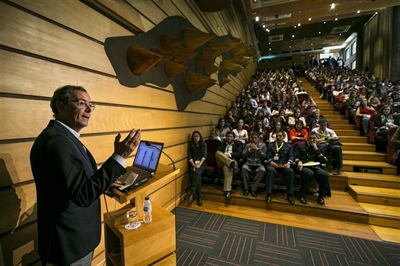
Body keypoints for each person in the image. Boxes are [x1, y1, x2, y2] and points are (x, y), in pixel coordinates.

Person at [30, 85, 142, 265]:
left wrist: (105, 182)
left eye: (91, 105)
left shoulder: (65, 138)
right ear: (60, 106)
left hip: (74, 240)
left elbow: (76, 182)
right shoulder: (57, 142)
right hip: (69, 244)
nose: (89, 109)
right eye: (82, 103)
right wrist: (119, 157)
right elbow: (83, 194)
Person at [294, 132, 329, 205]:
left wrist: (316, 149)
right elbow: (295, 156)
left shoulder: (319, 147)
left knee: (324, 174)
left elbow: (323, 160)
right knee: (309, 173)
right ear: (307, 138)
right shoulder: (300, 145)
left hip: (315, 166)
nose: (312, 140)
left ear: (316, 139)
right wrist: (299, 161)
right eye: (310, 138)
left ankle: (321, 196)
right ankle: (302, 195)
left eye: (314, 138)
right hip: (303, 166)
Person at [265, 132, 296, 204]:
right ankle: (268, 194)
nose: (278, 137)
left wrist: (288, 163)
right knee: (269, 170)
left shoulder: (289, 146)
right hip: (274, 165)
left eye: (280, 136)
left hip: (284, 165)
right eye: (277, 136)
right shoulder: (271, 145)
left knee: (290, 172)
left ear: (284, 137)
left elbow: (291, 156)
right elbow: (268, 155)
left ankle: (290, 194)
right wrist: (271, 162)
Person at [215, 131, 243, 200]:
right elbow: (217, 153)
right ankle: (231, 164)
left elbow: (239, 153)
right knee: (218, 153)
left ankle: (228, 191)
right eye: (228, 136)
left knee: (227, 167)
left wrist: (230, 155)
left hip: (233, 160)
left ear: (233, 138)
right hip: (221, 161)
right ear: (226, 137)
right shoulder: (222, 143)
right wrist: (225, 156)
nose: (229, 138)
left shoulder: (238, 144)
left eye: (231, 136)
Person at [241, 132, 267, 197]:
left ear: (258, 139)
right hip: (248, 163)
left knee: (262, 170)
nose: (254, 139)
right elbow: (243, 156)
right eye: (252, 138)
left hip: (259, 164)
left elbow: (264, 157)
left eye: (255, 138)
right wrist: (249, 150)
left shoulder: (263, 145)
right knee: (244, 168)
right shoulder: (247, 145)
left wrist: (258, 150)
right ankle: (246, 188)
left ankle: (253, 188)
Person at [188, 131, 207, 206]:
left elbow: (204, 156)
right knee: (197, 175)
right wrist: (194, 165)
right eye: (194, 136)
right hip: (193, 164)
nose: (196, 138)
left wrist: (199, 165)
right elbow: (190, 157)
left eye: (197, 136)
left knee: (197, 173)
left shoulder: (204, 144)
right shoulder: (191, 145)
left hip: (202, 163)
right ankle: (199, 198)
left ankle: (192, 193)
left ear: (200, 136)